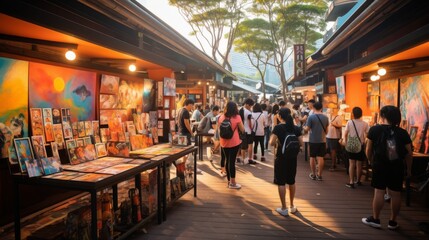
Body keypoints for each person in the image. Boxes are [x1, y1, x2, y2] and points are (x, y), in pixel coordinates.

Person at [362, 105, 412, 230]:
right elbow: (409, 153)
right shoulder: (403, 132)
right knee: (395, 194)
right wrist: (409, 169)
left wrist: (370, 160)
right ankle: (393, 222)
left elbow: (368, 149)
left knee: (379, 191)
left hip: (380, 164)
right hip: (397, 166)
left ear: (383, 116)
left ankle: (376, 219)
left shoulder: (374, 130)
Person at [270, 108, 303, 216]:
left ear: (279, 116)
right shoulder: (296, 128)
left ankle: (284, 207)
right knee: (291, 181)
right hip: (292, 158)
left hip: (281, 158)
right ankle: (292, 206)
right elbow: (301, 143)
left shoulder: (278, 128)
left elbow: (271, 142)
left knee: (281, 182)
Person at [219, 101, 245, 189]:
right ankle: (233, 183)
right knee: (232, 162)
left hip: (223, 142)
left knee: (227, 160)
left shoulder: (221, 117)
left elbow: (219, 129)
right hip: (234, 142)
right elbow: (243, 129)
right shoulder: (237, 117)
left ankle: (229, 181)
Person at [344, 107, 369, 188]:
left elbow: (345, 134)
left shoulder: (349, 122)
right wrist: (364, 139)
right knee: (359, 164)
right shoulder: (365, 123)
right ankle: (358, 180)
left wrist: (346, 142)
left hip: (351, 145)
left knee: (352, 163)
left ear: (353, 114)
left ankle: (351, 182)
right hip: (360, 145)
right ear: (361, 114)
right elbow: (368, 134)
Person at [303, 102, 329, 181]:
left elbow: (307, 129)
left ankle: (313, 174)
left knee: (312, 157)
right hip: (322, 140)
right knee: (321, 157)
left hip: (313, 140)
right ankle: (320, 175)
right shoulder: (326, 118)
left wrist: (304, 128)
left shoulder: (311, 117)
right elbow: (327, 131)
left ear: (313, 108)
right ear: (321, 108)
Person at [238, 98, 256, 164]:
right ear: (247, 104)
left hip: (242, 130)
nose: (251, 107)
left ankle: (242, 159)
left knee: (243, 146)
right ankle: (250, 159)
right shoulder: (248, 112)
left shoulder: (240, 110)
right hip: (248, 131)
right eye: (250, 105)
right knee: (250, 145)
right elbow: (250, 123)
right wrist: (252, 129)